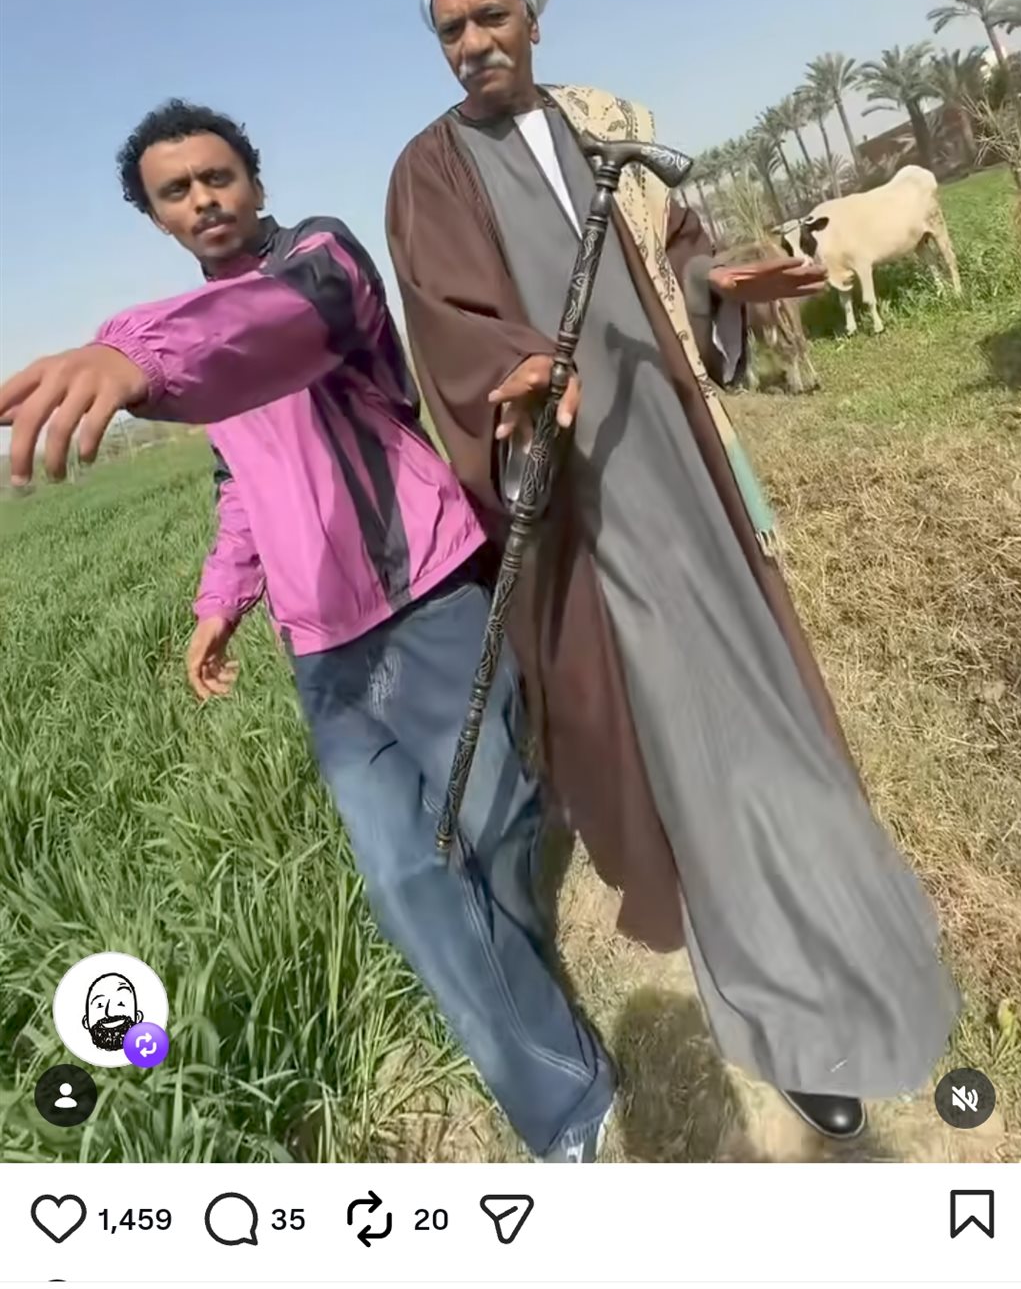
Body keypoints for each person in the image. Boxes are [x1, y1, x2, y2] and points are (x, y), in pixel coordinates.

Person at [385, 0, 961, 1142]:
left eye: (491, 17)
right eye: (451, 29)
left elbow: (678, 248)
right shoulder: (427, 171)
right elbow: (445, 322)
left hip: (688, 468)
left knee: (774, 723)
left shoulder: (607, 126)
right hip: (589, 510)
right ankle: (787, 1022)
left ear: (533, 18)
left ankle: (851, 946)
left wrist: (720, 283)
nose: (474, 42)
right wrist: (514, 373)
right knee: (691, 756)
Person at [0, 100, 616, 1161]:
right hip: (323, 651)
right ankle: (563, 1099)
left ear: (253, 179)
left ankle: (520, 927)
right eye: (176, 192)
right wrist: (217, 604)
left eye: (218, 177)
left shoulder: (318, 265)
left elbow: (265, 329)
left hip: (425, 595)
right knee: (405, 876)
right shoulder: (203, 357)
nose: (204, 200)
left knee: (495, 819)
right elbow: (238, 486)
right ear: (156, 217)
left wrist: (132, 355)